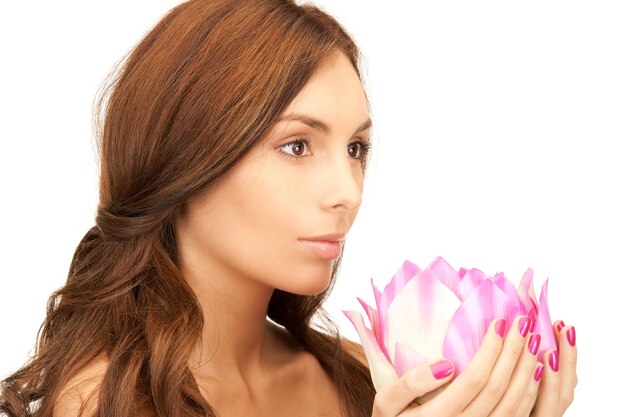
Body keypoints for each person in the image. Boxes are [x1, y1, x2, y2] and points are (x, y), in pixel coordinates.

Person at [0, 1, 577, 416]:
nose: (348, 192)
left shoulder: (363, 378)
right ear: (185, 160)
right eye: (297, 145)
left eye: (356, 148)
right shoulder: (107, 402)